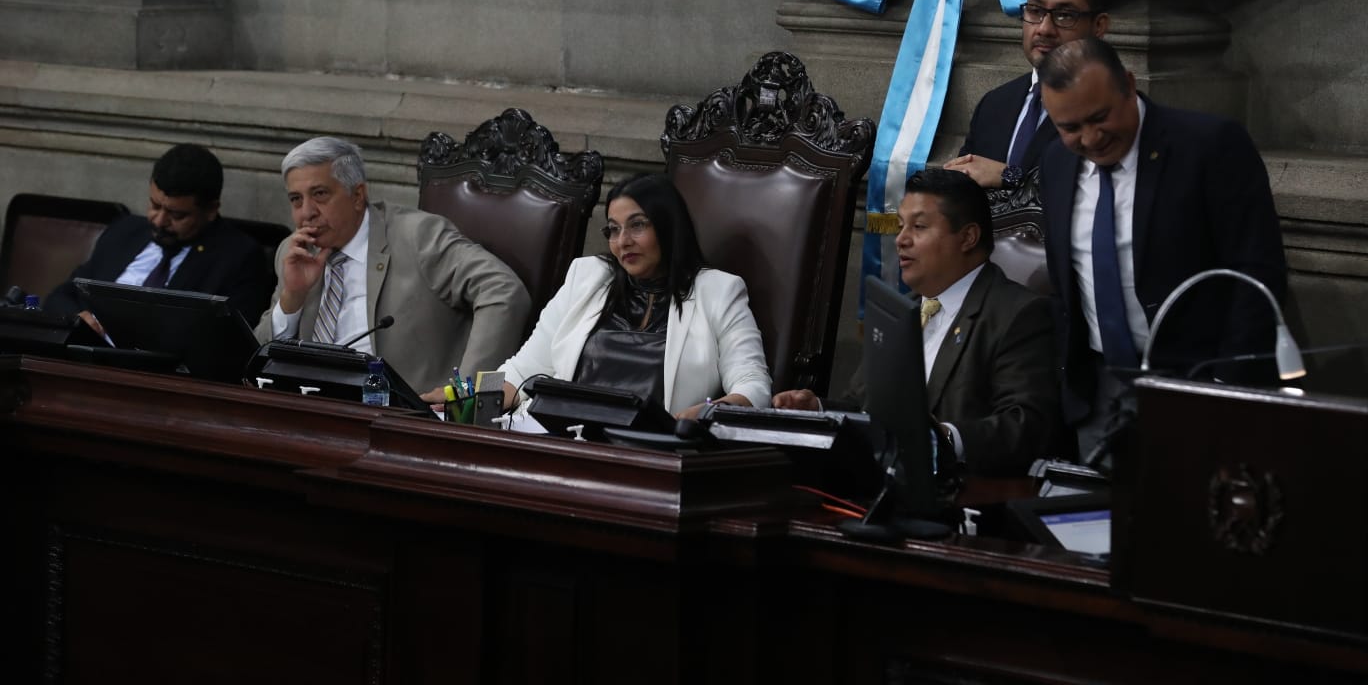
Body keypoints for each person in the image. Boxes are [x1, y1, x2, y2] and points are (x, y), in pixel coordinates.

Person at [1038, 37, 1288, 460]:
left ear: (1129, 85)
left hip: (1200, 384)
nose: (1091, 138)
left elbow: (1256, 273)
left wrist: (1224, 387)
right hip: (1099, 391)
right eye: (1070, 128)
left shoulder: (1209, 146)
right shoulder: (1056, 163)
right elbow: (1065, 285)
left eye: (1099, 117)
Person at [774, 169, 1058, 477]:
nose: (901, 240)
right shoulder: (899, 310)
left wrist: (945, 439)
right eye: (900, 226)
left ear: (968, 237)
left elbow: (1025, 427)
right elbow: (862, 408)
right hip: (878, 481)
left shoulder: (1018, 314)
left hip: (960, 488)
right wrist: (817, 410)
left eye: (919, 227)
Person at [255, 136, 530, 397]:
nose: (306, 212)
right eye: (296, 199)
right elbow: (255, 360)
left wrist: (467, 391)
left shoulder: (418, 236)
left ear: (357, 195)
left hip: (401, 414)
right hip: (308, 409)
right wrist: (292, 298)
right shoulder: (294, 253)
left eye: (320, 194)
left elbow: (504, 291)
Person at [498, 172, 771, 418]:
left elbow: (753, 385)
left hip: (651, 449)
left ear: (668, 227)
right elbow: (520, 370)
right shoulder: (586, 276)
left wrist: (706, 413)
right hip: (566, 439)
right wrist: (475, 395)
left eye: (637, 225)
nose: (623, 241)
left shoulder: (719, 291)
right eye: (614, 229)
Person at [46, 143, 273, 328]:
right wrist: (79, 319)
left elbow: (228, 340)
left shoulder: (237, 258)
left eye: (177, 215)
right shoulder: (125, 231)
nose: (159, 221)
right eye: (155, 205)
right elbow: (61, 296)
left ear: (211, 210)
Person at [946, 0, 1110, 190]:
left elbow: (1095, 191)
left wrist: (1010, 176)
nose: (1044, 28)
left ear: (1099, 26)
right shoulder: (994, 104)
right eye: (1035, 11)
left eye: (1064, 15)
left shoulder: (1112, 108)